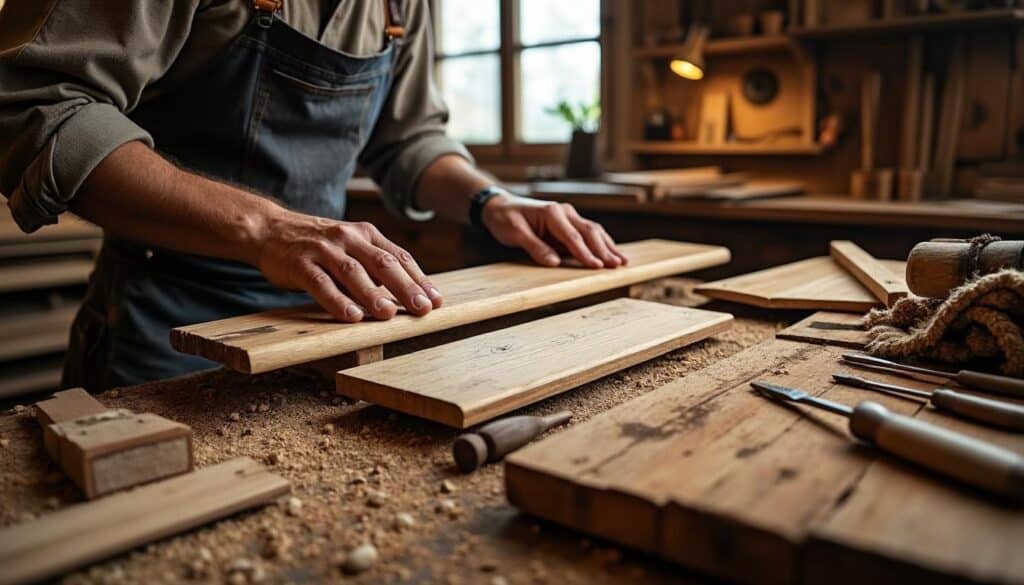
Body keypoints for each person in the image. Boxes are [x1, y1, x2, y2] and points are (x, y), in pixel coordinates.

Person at [0, 0, 627, 390]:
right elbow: (35, 105)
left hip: (325, 321)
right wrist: (266, 228)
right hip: (166, 321)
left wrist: (491, 200)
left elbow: (409, 138)